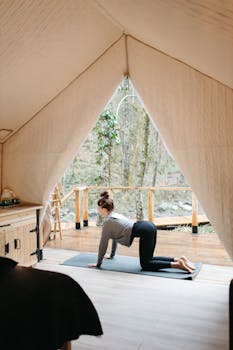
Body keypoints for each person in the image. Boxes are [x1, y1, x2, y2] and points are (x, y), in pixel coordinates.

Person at [88, 191, 195, 273]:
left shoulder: (108, 222)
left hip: (145, 231)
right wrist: (111, 255)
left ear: (103, 208)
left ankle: (177, 265)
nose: (98, 209)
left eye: (99, 207)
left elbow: (103, 244)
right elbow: (113, 237)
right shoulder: (115, 215)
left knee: (145, 264)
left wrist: (98, 264)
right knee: (149, 258)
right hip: (148, 226)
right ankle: (179, 259)